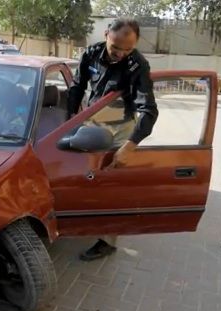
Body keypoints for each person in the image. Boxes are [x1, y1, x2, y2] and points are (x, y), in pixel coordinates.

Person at [67, 18, 159, 261]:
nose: (121, 54)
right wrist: (70, 120)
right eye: (116, 47)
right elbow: (77, 87)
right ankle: (79, 220)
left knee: (113, 186)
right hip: (92, 122)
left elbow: (149, 110)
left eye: (128, 49)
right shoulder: (92, 53)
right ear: (107, 34)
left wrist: (131, 145)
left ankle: (106, 240)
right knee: (84, 176)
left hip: (120, 128)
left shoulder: (137, 64)